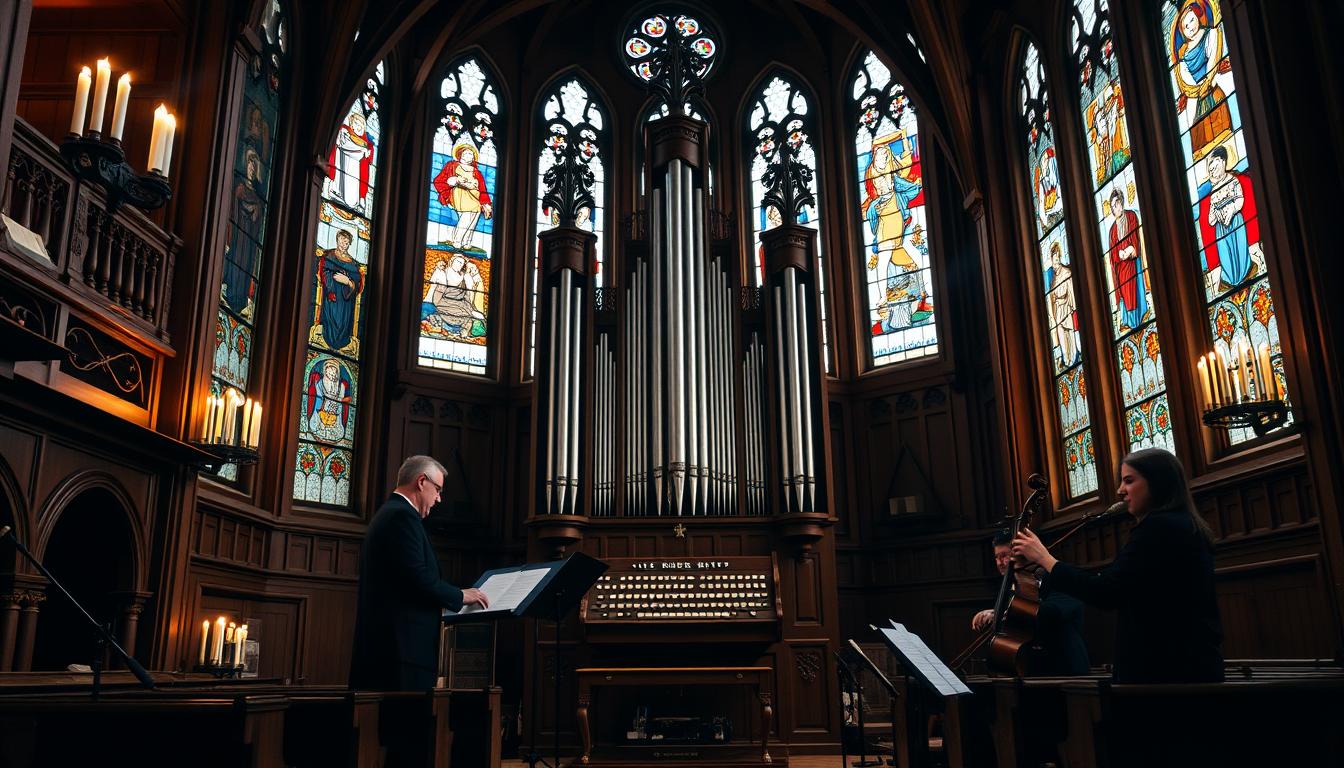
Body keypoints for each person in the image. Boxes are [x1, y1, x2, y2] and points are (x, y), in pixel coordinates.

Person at [1012, 448, 1223, 683]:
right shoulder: (1183, 526)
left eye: (1129, 480)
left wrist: (1045, 559)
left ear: (1157, 482)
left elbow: (1107, 592)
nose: (1120, 490)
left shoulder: (1159, 529)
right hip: (1185, 667)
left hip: (1167, 675)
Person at [349, 455, 489, 692]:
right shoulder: (401, 517)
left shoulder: (390, 513)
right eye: (438, 490)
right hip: (401, 655)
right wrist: (460, 595)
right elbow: (417, 577)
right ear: (422, 481)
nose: (439, 498)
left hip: (391, 651)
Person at [971, 529, 1090, 676]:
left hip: (1065, 673)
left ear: (1025, 552)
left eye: (1004, 556)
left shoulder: (1061, 578)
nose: (1000, 563)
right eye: (996, 557)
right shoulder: (1013, 587)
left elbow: (1048, 613)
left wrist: (1002, 614)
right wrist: (995, 613)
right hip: (1028, 671)